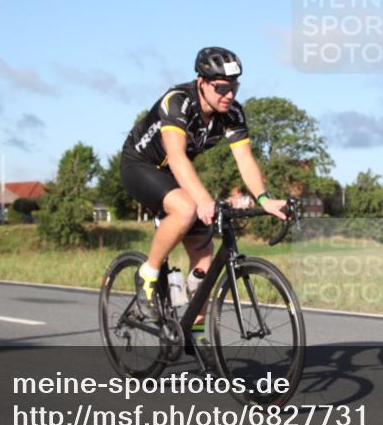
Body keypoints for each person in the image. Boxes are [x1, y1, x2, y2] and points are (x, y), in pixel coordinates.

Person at [120, 47, 286, 328]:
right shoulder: (177, 102)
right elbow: (176, 157)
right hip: (140, 166)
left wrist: (264, 198)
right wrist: (203, 199)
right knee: (186, 209)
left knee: (204, 262)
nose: (229, 95)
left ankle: (194, 335)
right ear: (202, 82)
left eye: (234, 87)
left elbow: (245, 160)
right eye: (221, 88)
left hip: (173, 175)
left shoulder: (232, 113)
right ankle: (147, 275)